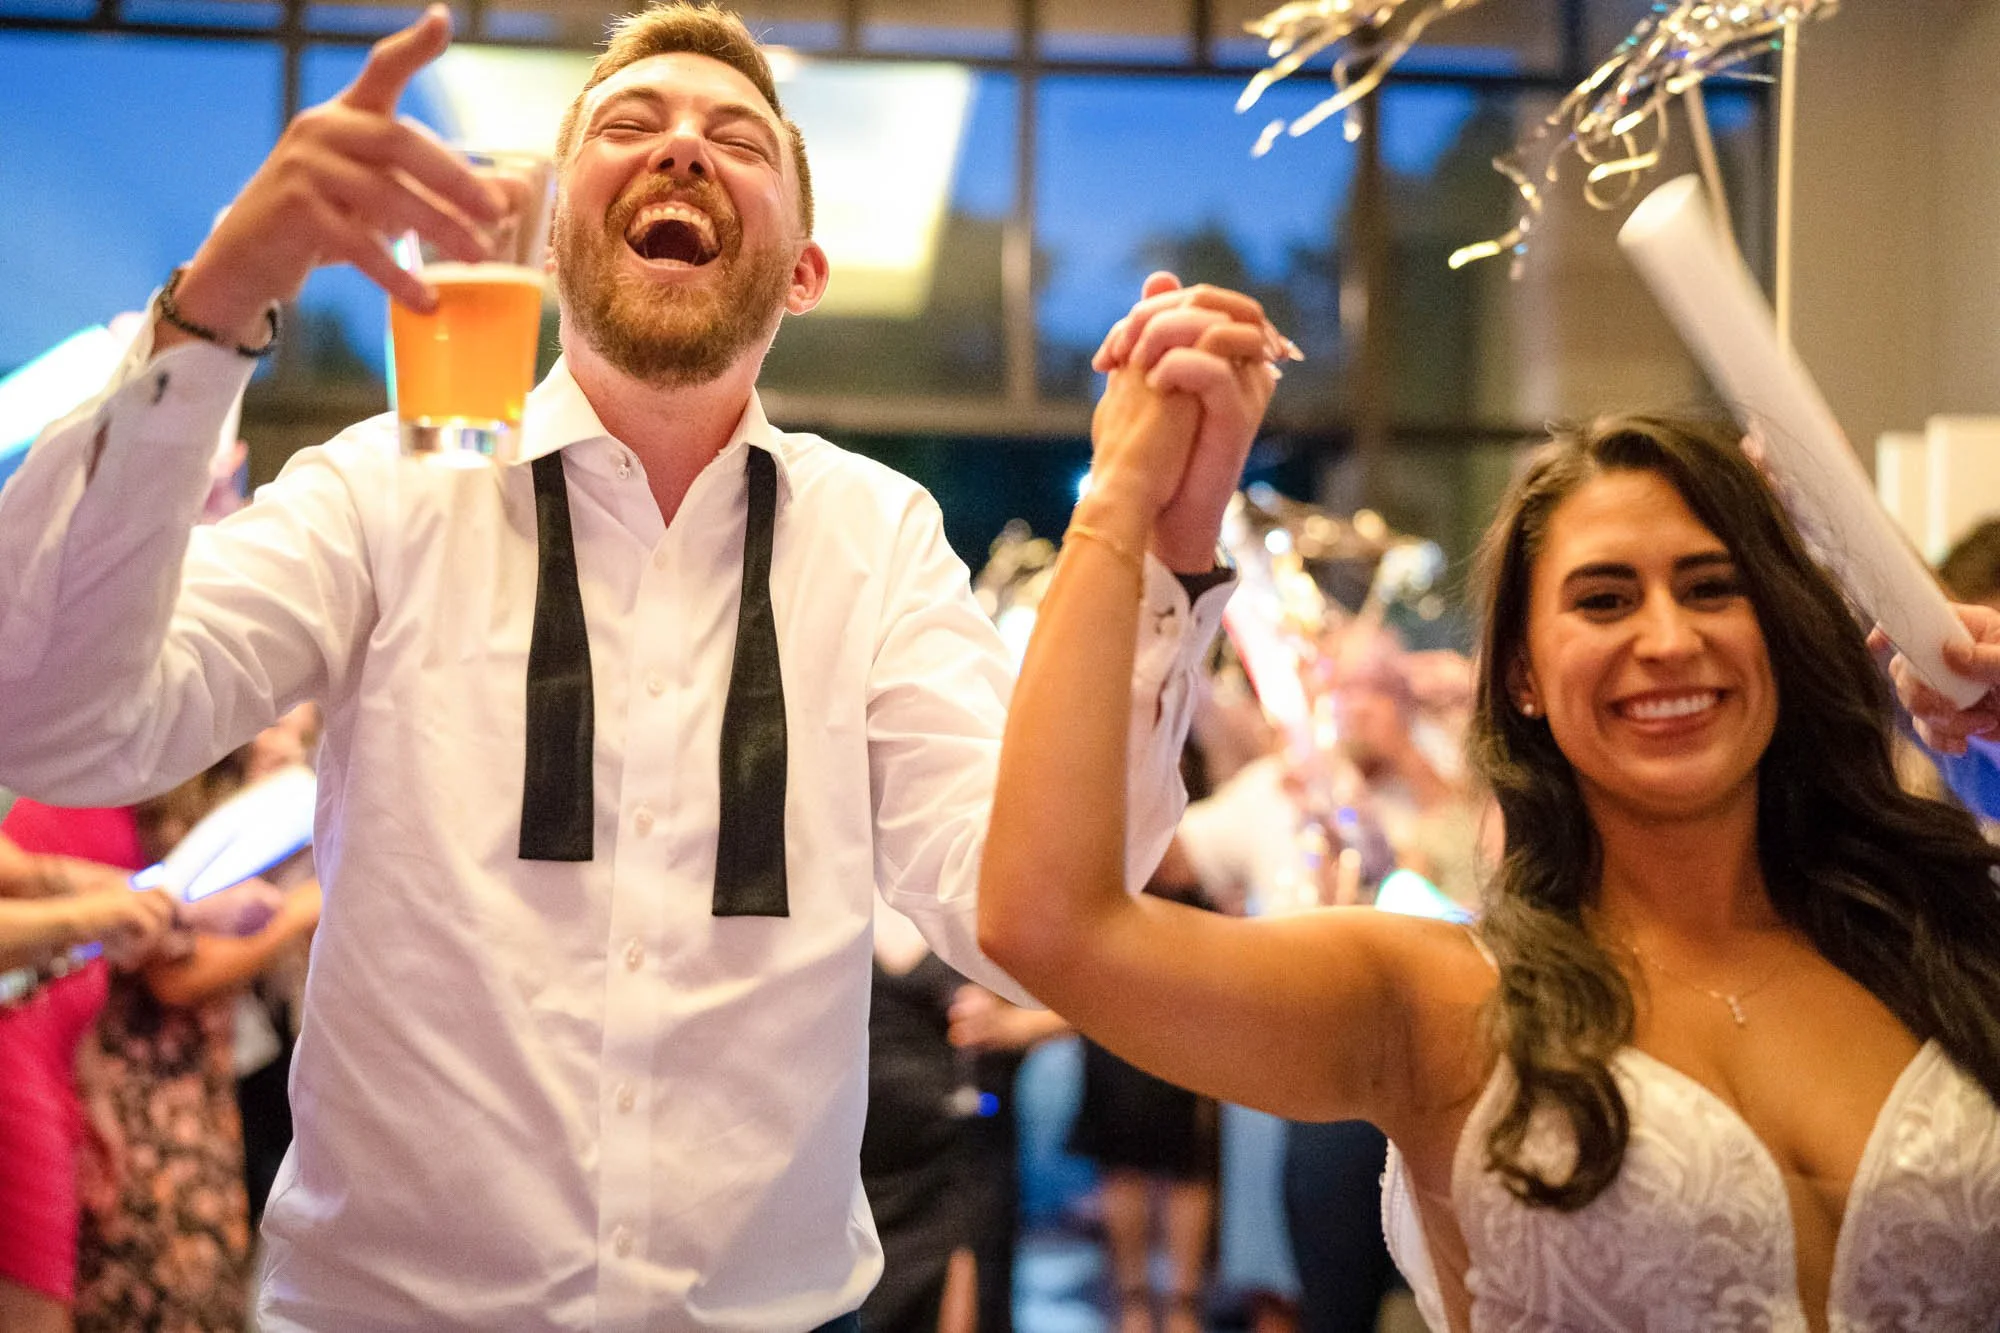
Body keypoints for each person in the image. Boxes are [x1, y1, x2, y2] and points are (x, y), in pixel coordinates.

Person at [0, 4, 1283, 1328]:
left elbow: (1025, 913)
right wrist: (215, 300)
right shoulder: (390, 491)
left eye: (736, 138)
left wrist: (1168, 553)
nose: (681, 150)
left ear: (802, 271)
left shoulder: (876, 536)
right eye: (630, 126)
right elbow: (56, 723)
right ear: (556, 240)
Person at [980, 410, 2000, 1329]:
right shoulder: (1435, 1002)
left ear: (1771, 632)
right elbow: (1049, 923)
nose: (1668, 638)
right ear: (1518, 672)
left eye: (1710, 588)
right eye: (1603, 600)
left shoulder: (1936, 943)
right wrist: (1120, 506)